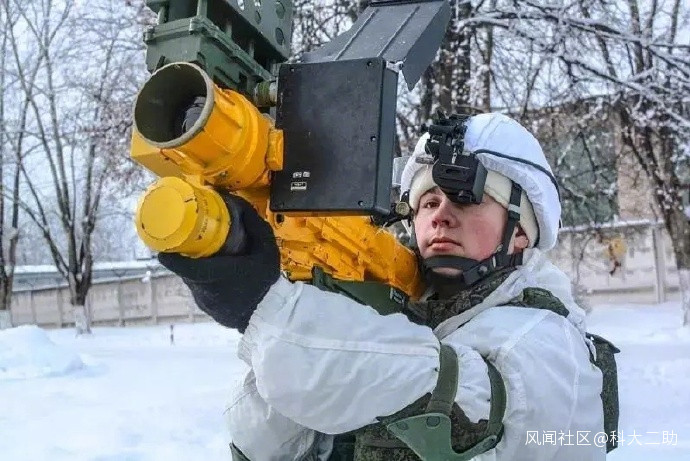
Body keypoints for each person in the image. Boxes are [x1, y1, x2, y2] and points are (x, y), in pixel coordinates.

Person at [159, 113, 606, 460]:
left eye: (465, 197)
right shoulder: (410, 316)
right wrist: (322, 296)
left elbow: (462, 404)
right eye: (428, 201)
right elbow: (264, 448)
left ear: (521, 231)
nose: (440, 215)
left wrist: (272, 309)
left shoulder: (548, 338)